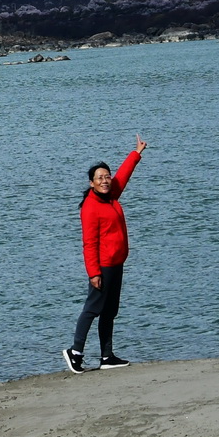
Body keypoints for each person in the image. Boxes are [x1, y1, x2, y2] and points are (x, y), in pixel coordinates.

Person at [65, 137, 145, 373]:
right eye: (100, 178)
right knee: (92, 309)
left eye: (106, 176)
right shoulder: (91, 207)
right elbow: (89, 244)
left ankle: (106, 357)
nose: (105, 180)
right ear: (91, 183)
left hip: (116, 263)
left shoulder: (111, 196)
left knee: (110, 311)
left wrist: (136, 153)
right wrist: (94, 273)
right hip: (103, 266)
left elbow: (123, 175)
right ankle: (75, 352)